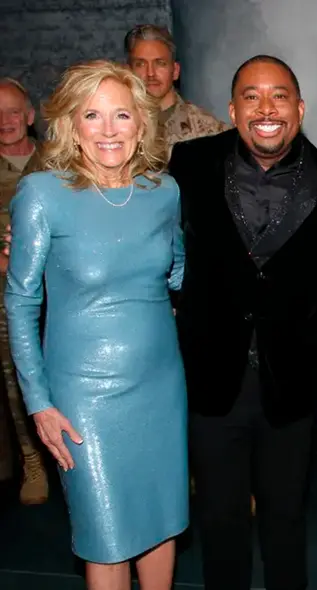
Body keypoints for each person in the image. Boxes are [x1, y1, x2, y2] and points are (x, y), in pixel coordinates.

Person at [5, 59, 186, 589]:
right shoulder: (42, 194)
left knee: (161, 523)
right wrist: (39, 403)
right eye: (92, 115)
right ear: (71, 125)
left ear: (141, 124)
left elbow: (177, 270)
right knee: (105, 536)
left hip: (160, 384)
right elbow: (20, 303)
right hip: (83, 397)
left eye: (122, 115)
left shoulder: (164, 191)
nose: (109, 129)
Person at [168, 55, 317, 590]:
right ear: (233, 109)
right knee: (220, 522)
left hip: (291, 382)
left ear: (300, 109)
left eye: (279, 96)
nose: (266, 108)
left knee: (286, 521)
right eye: (252, 96)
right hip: (211, 379)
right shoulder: (187, 164)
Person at [0, 77, 47, 505]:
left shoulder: (57, 161)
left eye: (13, 111)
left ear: (30, 116)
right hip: (6, 294)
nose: (5, 121)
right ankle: (32, 459)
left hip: (59, 290)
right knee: (15, 374)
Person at [124, 24, 227, 156]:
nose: (150, 73)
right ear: (128, 72)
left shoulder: (207, 130)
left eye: (160, 63)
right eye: (140, 64)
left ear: (175, 71)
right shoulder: (117, 127)